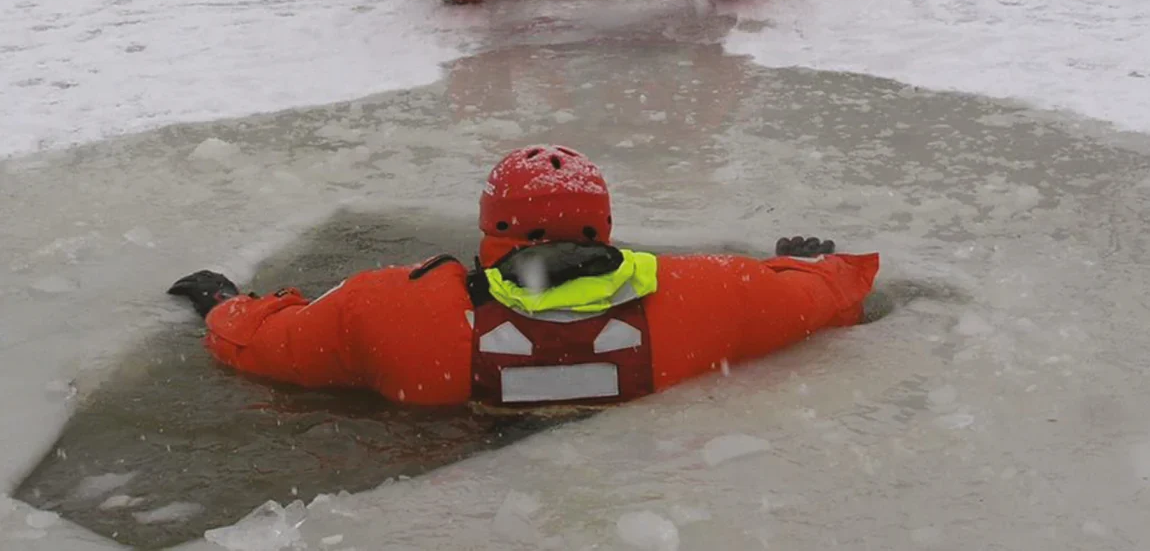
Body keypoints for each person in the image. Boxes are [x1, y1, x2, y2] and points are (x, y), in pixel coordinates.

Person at [169, 145, 879, 407]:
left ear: (492, 229)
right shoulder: (706, 294)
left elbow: (263, 348)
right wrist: (804, 262)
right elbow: (830, 294)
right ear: (602, 225)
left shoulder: (393, 310)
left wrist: (224, 305)